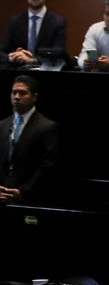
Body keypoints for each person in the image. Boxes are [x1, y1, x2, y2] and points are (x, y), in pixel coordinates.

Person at [0, 75, 58, 204]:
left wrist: (23, 191)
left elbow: (47, 166)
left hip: (30, 196)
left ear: (34, 97)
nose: (16, 97)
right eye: (14, 92)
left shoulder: (46, 127)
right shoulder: (2, 125)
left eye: (22, 93)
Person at [1, 0, 68, 67]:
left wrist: (32, 60)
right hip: (18, 72)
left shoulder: (58, 22)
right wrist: (12, 57)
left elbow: (59, 54)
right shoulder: (15, 21)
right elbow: (2, 52)